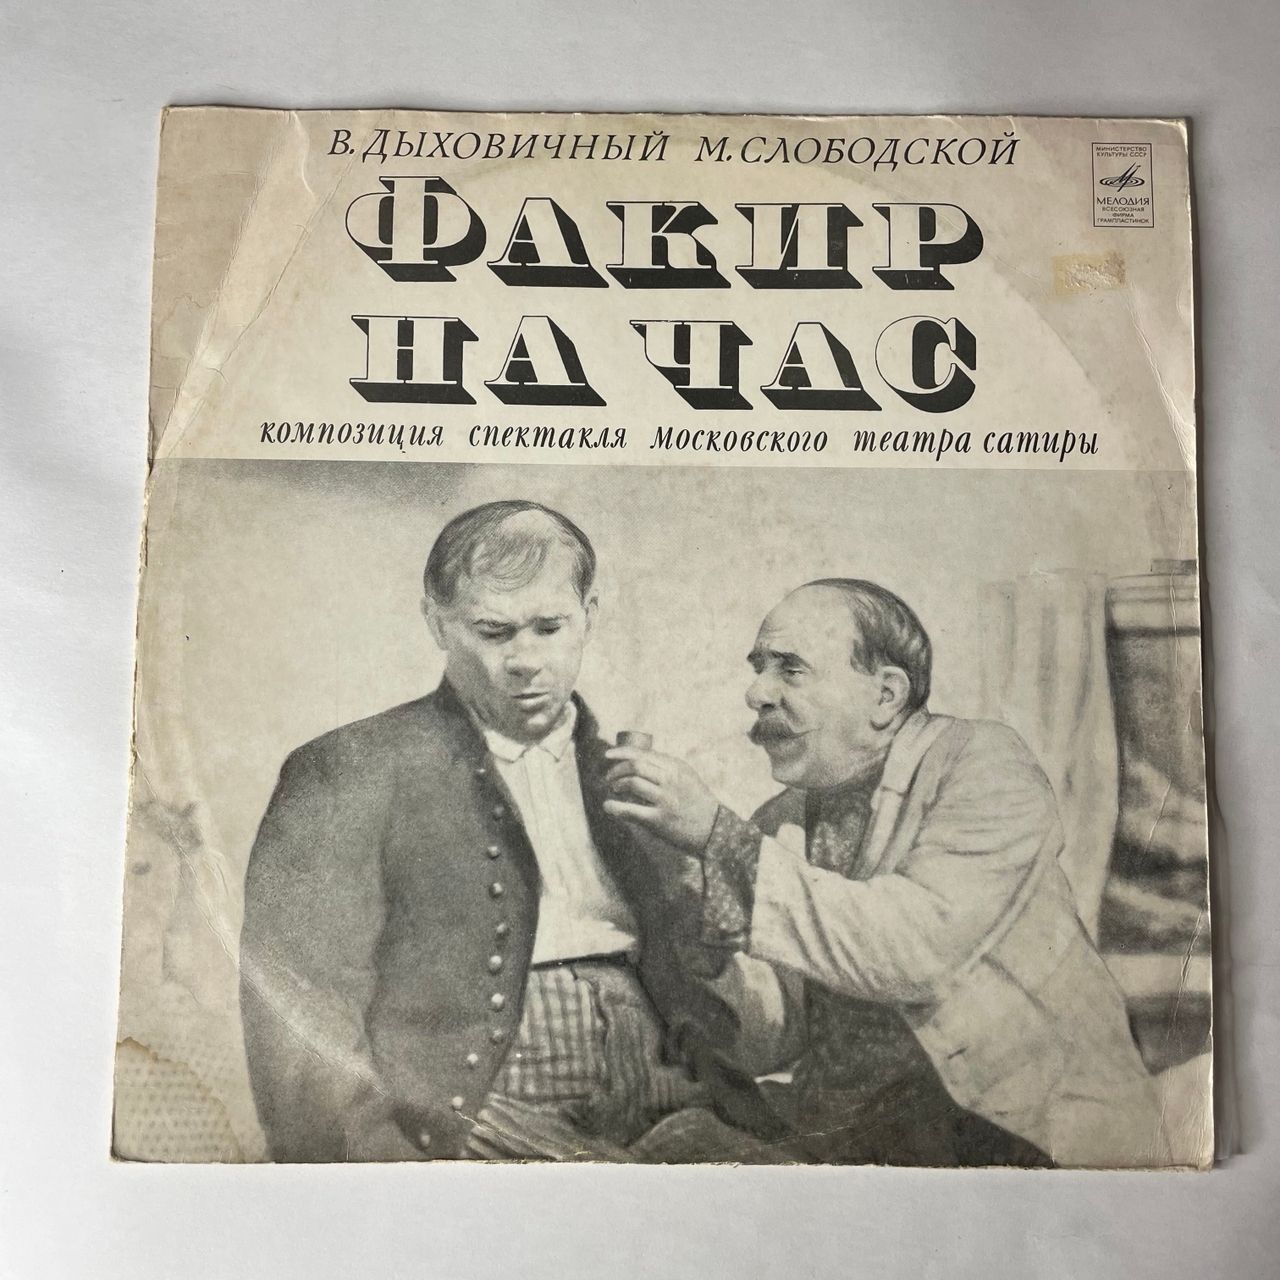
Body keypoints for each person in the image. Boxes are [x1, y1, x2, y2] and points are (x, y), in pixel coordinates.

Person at [239, 501, 768, 1162]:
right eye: (494, 631)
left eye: (550, 627)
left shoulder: (638, 780)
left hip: (671, 1094)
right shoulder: (348, 769)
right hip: (477, 1110)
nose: (526, 660)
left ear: (589, 616)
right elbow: (298, 1008)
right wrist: (376, 1165)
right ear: (438, 624)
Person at [604, 579, 1170, 1167]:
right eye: (758, 669)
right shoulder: (780, 821)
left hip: (1019, 1132)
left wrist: (716, 835)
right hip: (860, 1134)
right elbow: (774, 1040)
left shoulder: (984, 764)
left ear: (886, 696)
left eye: (790, 670)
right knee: (673, 1140)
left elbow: (914, 950)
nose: (757, 693)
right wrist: (696, 922)